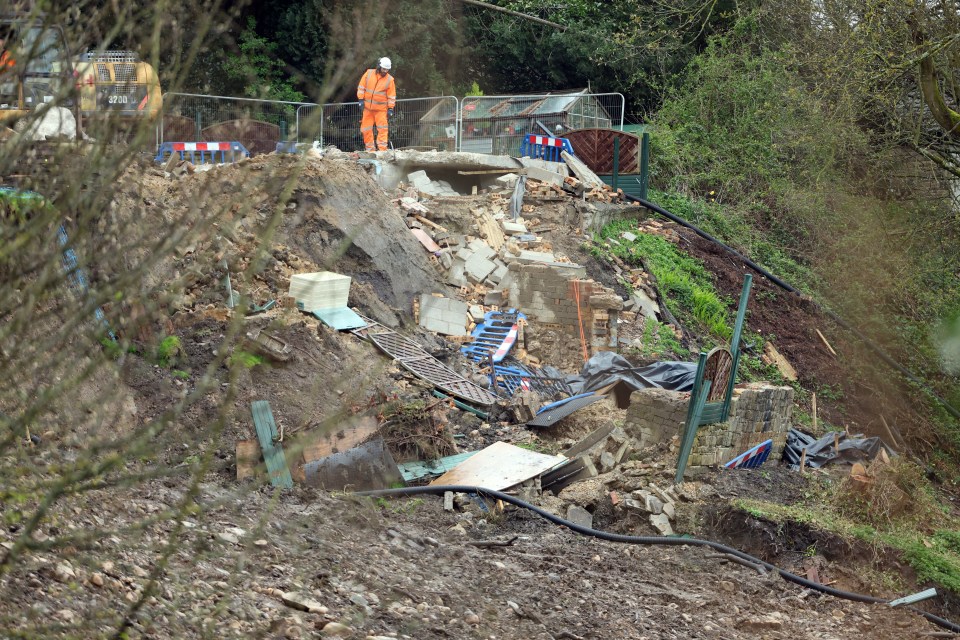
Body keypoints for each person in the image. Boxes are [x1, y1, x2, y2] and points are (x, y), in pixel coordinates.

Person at [356, 57, 396, 152]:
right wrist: (361, 99)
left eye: (387, 69)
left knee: (382, 130)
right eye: (384, 69)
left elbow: (391, 96)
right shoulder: (369, 73)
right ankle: (370, 150)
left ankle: (382, 151)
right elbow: (361, 87)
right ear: (379, 66)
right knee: (366, 129)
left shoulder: (390, 80)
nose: (385, 71)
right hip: (368, 109)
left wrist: (390, 109)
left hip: (381, 110)